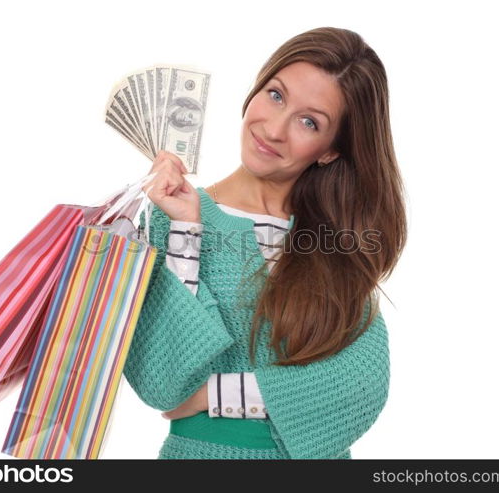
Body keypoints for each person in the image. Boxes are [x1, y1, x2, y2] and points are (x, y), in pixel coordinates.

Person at [122, 26, 408, 459]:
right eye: (276, 95)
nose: (274, 130)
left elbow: (359, 388)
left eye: (309, 122)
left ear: (330, 149)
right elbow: (161, 379)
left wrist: (217, 394)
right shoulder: (172, 213)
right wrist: (186, 229)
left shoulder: (337, 243)